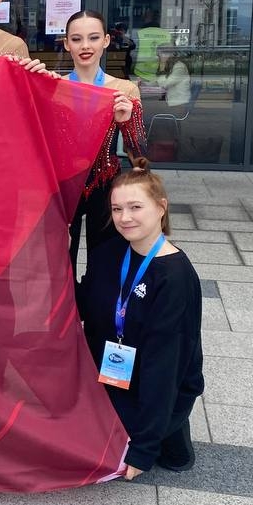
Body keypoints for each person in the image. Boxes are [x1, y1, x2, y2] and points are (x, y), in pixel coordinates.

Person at [76, 158, 203, 479]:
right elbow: (83, 305)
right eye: (117, 209)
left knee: (144, 456)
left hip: (157, 382)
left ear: (161, 208)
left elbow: (164, 365)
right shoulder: (108, 254)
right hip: (110, 374)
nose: (125, 217)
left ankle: (167, 432)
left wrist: (143, 449)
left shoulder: (175, 277)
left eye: (135, 207)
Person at [63, 10, 146, 262]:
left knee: (106, 260)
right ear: (66, 44)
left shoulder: (124, 89)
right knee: (61, 259)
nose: (85, 46)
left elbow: (140, 156)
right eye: (76, 39)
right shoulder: (55, 88)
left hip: (107, 183)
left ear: (106, 41)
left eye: (93, 38)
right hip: (64, 185)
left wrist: (127, 121)